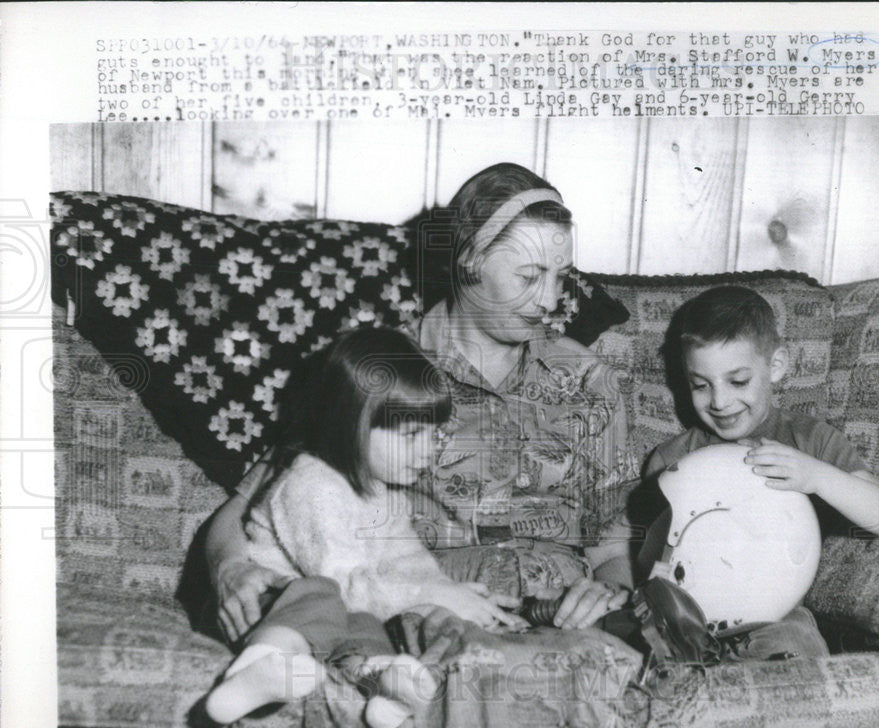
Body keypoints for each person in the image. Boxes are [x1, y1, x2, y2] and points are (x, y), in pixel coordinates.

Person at [203, 163, 637, 679]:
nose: (549, 301)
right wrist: (229, 569)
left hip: (562, 610)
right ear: (470, 259)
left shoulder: (588, 380)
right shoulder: (386, 369)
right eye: (529, 277)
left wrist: (609, 591)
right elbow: (260, 504)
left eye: (560, 277)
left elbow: (613, 540)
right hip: (426, 606)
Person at [204, 327, 524, 727]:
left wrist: (446, 593)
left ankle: (382, 685)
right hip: (272, 604)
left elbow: (408, 562)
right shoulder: (312, 485)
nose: (428, 451)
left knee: (367, 626)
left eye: (433, 435)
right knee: (325, 596)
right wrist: (427, 593)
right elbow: (343, 581)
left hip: (332, 613)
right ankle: (257, 670)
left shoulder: (386, 496)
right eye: (411, 435)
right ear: (353, 424)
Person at [639, 285, 879, 660]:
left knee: (797, 649)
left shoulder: (809, 440)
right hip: (685, 611)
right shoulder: (672, 458)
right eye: (700, 385)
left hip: (777, 613)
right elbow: (647, 551)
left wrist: (816, 476)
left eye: (738, 381)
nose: (719, 401)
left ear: (776, 366)